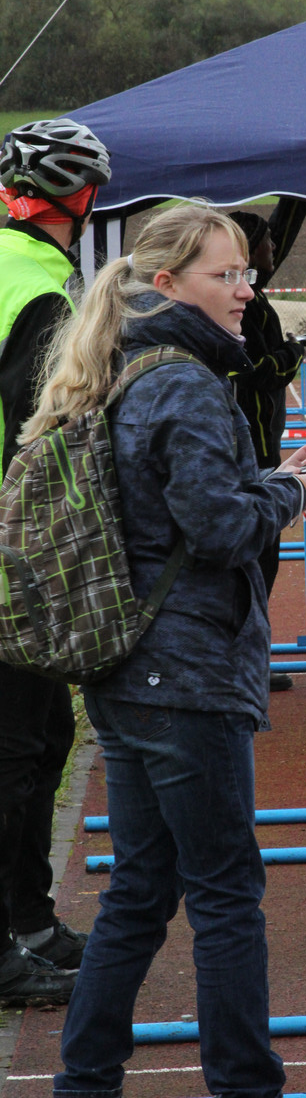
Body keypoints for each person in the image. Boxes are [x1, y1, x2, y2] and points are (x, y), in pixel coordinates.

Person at [20, 204, 306, 1098]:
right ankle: (244, 1084)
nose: (246, 292)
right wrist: (293, 489)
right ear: (167, 285)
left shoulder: (122, 366)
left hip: (129, 667)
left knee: (141, 888)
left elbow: (174, 511)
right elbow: (221, 527)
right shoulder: (186, 383)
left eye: (247, 274)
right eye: (225, 275)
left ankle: (86, 1079)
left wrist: (266, 483)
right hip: (184, 673)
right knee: (226, 896)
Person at [0, 118, 112, 1009]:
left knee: (43, 740)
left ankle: (30, 922)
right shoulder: (39, 287)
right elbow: (41, 434)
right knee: (19, 748)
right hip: (14, 550)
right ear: (83, 200)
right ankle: (11, 943)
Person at [229, 209, 305, 596]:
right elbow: (258, 370)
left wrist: (299, 197)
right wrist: (294, 352)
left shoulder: (251, 292)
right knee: (256, 569)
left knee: (262, 567)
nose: (274, 245)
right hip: (252, 452)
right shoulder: (243, 306)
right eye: (266, 242)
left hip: (262, 448)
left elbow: (279, 235)